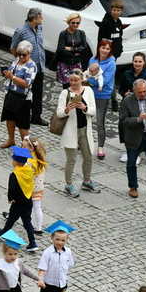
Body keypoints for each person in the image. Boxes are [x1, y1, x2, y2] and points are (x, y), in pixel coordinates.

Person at [56, 69, 98, 197]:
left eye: (76, 80)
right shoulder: (65, 93)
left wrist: (84, 108)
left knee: (88, 156)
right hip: (70, 131)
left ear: (81, 80)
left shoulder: (89, 91)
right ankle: (68, 184)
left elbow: (93, 111)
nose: (73, 83)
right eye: (71, 80)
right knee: (71, 159)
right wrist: (67, 109)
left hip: (85, 130)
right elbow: (59, 113)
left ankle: (87, 180)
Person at [0, 146, 39, 252]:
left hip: (18, 202)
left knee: (11, 218)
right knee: (27, 222)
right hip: (28, 201)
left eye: (13, 159)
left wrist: (10, 198)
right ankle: (32, 243)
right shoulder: (28, 171)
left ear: (16, 161)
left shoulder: (14, 174)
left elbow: (12, 189)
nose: (12, 161)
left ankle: (4, 232)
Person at [10, 8, 47, 125]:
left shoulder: (39, 28)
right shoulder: (21, 31)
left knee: (38, 93)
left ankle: (36, 117)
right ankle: (19, 115)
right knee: (22, 93)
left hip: (39, 66)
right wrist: (22, 62)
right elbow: (13, 48)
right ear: (34, 18)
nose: (42, 18)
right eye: (41, 16)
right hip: (27, 68)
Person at [0, 40, 37, 148]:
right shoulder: (16, 61)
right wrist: (6, 74)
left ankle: (26, 146)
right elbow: (11, 73)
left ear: (29, 54)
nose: (20, 57)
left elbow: (27, 84)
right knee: (9, 118)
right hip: (11, 93)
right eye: (19, 54)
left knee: (22, 124)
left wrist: (12, 77)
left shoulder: (32, 66)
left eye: (23, 55)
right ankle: (11, 140)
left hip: (23, 98)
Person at [87, 40, 116, 160]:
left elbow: (106, 81)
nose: (104, 50)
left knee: (100, 122)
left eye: (107, 49)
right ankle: (84, 143)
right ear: (99, 48)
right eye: (103, 48)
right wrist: (89, 80)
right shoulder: (92, 60)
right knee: (86, 120)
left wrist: (90, 81)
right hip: (90, 93)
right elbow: (88, 73)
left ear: (110, 51)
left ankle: (100, 147)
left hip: (103, 95)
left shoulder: (111, 63)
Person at [97, 0, 124, 111]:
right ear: (111, 10)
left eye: (118, 10)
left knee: (109, 77)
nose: (116, 12)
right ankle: (111, 100)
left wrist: (120, 49)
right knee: (106, 77)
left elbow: (119, 37)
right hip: (106, 55)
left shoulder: (119, 22)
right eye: (114, 10)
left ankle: (110, 100)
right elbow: (102, 40)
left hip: (114, 55)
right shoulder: (106, 23)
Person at [55, 13, 89, 88]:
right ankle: (67, 99)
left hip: (76, 63)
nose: (75, 25)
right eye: (73, 22)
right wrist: (76, 52)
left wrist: (71, 49)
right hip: (65, 64)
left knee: (77, 85)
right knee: (67, 86)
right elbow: (60, 50)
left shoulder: (81, 33)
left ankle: (75, 99)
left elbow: (84, 48)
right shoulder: (63, 34)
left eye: (77, 23)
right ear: (69, 22)